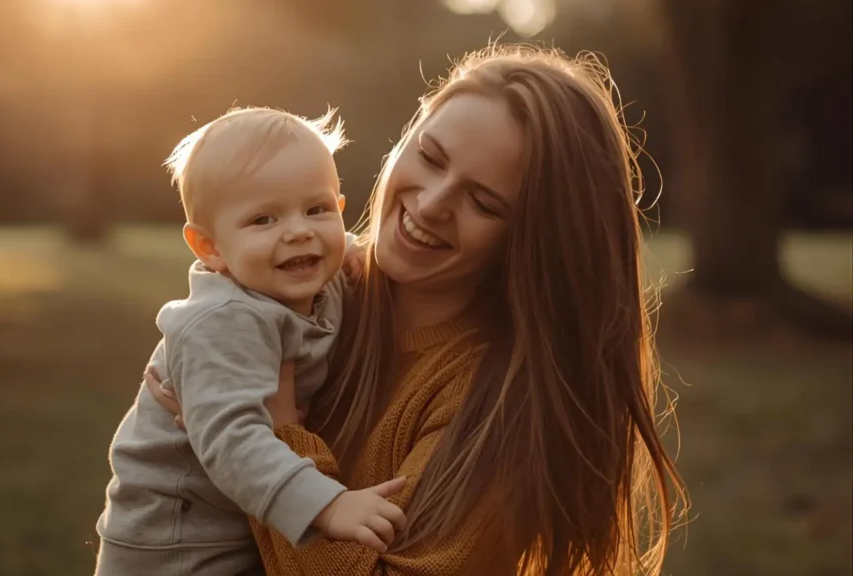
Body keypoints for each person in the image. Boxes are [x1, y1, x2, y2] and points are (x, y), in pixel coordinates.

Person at [146, 45, 689, 575]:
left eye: (482, 202)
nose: (430, 204)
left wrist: (278, 430)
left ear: (532, 242)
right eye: (430, 157)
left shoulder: (497, 406)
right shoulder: (312, 294)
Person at [96, 107, 407, 576]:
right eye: (264, 219)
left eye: (316, 209)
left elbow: (348, 251)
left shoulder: (318, 282)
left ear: (340, 210)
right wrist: (327, 506)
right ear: (210, 248)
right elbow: (232, 440)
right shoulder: (222, 321)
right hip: (170, 540)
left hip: (229, 524)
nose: (298, 230)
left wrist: (361, 254)